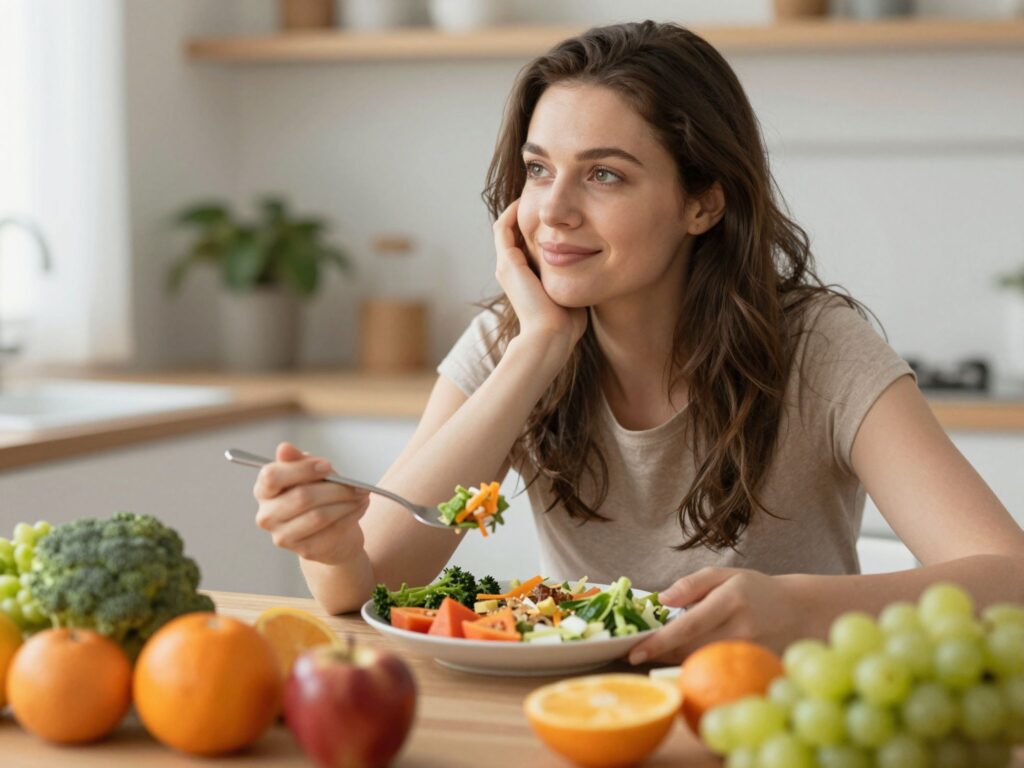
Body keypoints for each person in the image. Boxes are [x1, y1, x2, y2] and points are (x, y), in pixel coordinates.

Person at [252, 21, 1024, 665]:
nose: (552, 210)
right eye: (537, 169)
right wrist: (538, 347)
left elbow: (1012, 580)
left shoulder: (819, 348)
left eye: (605, 177)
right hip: (595, 722)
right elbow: (363, 585)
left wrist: (797, 605)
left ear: (703, 202)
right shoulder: (509, 343)